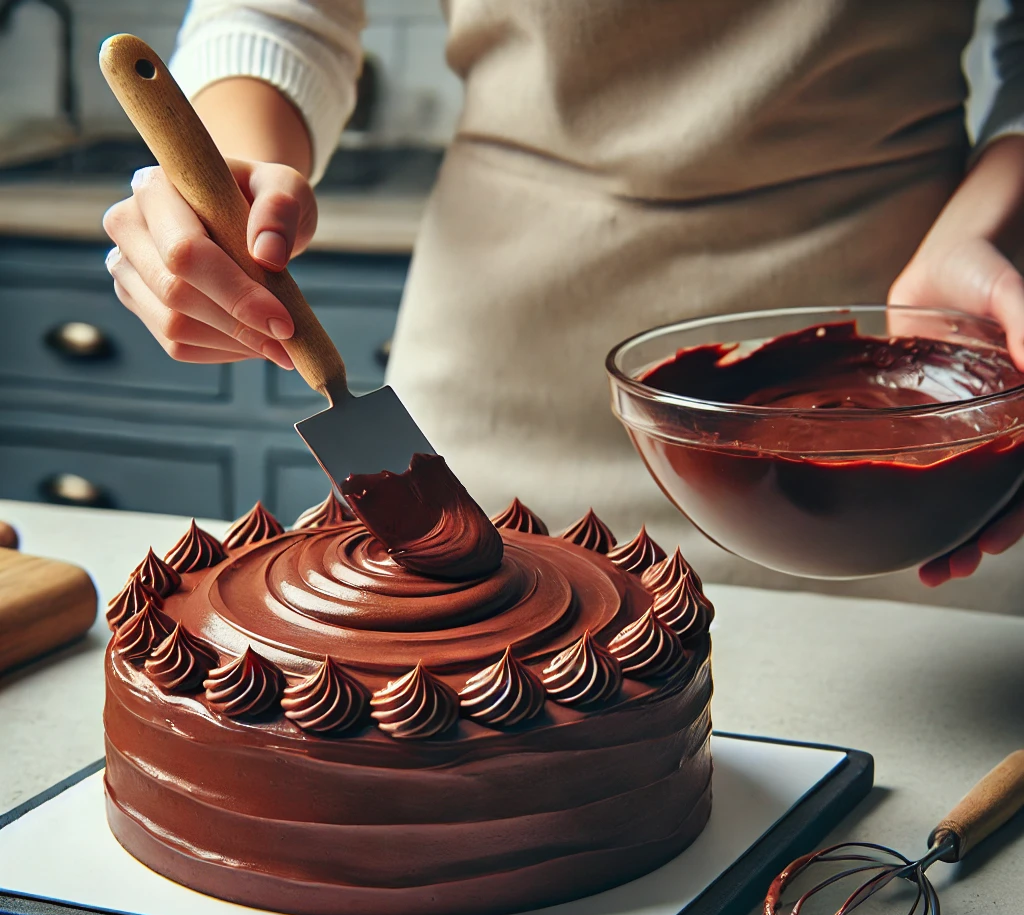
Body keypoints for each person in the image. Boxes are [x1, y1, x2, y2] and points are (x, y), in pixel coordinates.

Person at [102, 0, 1024, 611]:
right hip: (496, 381)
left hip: (903, 389)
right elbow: (279, 13)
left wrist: (990, 231)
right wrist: (230, 186)